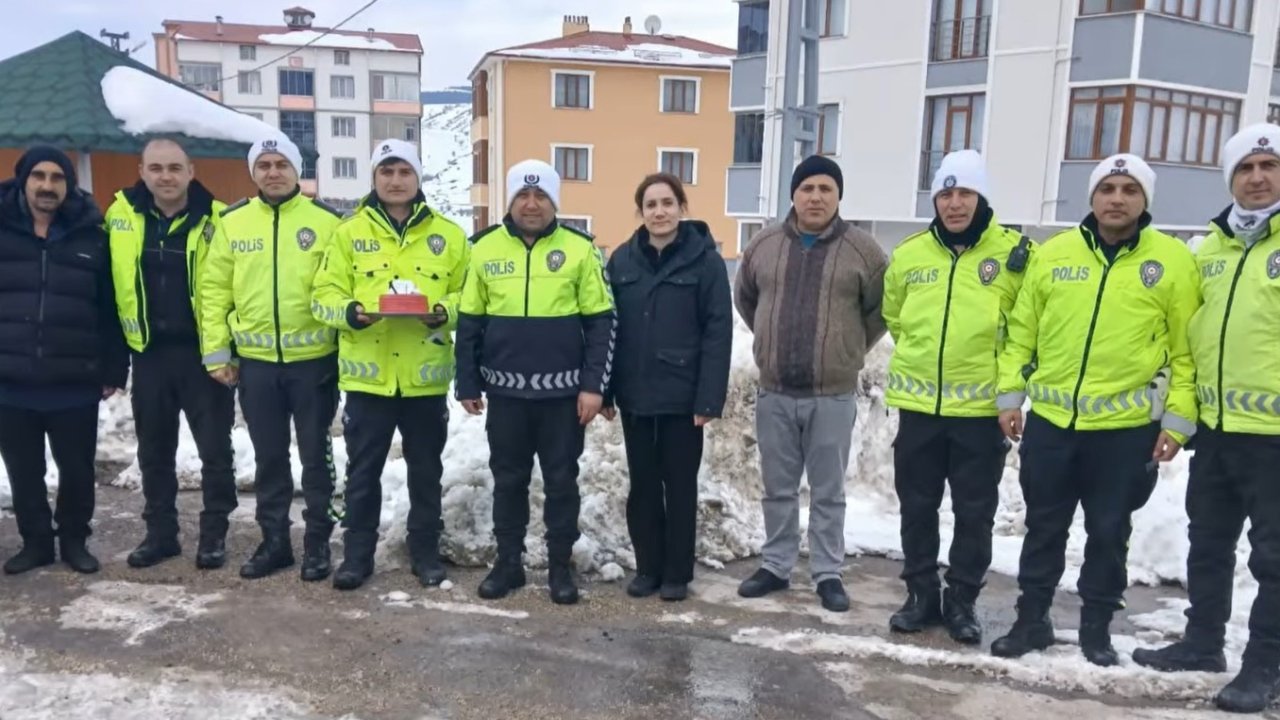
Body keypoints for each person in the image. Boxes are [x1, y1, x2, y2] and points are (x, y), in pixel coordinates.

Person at [990, 154, 1201, 666]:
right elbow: (1022, 332)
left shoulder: (1171, 261)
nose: (1117, 198)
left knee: (1109, 532)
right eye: (1107, 188)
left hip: (1125, 433)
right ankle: (1031, 620)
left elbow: (1186, 350)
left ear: (1144, 199)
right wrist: (1009, 395)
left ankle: (1096, 628)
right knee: (1043, 527)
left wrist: (1177, 420)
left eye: (1129, 189)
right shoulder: (1055, 254)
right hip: (1053, 427)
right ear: (1092, 197)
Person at [1132, 124, 1280, 713]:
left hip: (1275, 439)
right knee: (1209, 543)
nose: (1258, 177)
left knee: (1274, 558)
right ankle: (1202, 642)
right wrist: (1182, 418)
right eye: (1246, 168)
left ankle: (1266, 663)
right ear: (1230, 179)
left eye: (1269, 166)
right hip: (1217, 433)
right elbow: (1190, 343)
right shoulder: (1210, 249)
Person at [881, 150, 1029, 644]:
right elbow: (895, 317)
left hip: (981, 413)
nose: (954, 204)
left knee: (974, 512)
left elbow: (1025, 331)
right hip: (920, 410)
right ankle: (921, 595)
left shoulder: (1014, 255)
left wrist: (1008, 389)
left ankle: (962, 600)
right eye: (945, 194)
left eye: (964, 193)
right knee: (916, 507)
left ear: (981, 196)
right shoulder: (910, 253)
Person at [455, 159, 616, 605]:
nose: (531, 204)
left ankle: (559, 567)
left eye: (541, 196)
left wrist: (593, 386)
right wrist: (467, 382)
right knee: (508, 481)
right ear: (510, 202)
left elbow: (602, 324)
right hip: (506, 396)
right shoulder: (483, 249)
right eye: (523, 196)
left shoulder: (580, 249)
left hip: (563, 399)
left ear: (554, 202)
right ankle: (509, 564)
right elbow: (470, 321)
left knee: (562, 482)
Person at [311, 139, 469, 591]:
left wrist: (441, 310)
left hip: (424, 381)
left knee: (426, 472)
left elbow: (471, 298)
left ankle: (425, 555)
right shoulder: (347, 234)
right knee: (362, 474)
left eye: (404, 172)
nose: (395, 181)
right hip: (369, 383)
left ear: (417, 178)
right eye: (386, 172)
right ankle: (357, 557)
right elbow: (323, 295)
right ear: (374, 178)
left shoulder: (449, 236)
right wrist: (351, 312)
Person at [733, 155, 888, 612]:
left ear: (838, 197)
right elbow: (746, 298)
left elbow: (880, 310)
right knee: (777, 488)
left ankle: (827, 572)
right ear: (793, 195)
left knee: (828, 491)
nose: (816, 197)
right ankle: (776, 566)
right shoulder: (763, 245)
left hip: (832, 396)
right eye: (807, 188)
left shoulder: (863, 250)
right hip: (775, 392)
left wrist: (846, 346)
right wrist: (769, 337)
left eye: (826, 189)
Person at [199, 135, 344, 581]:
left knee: (317, 459)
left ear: (297, 170)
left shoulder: (328, 222)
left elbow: (342, 288)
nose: (273, 172)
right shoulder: (232, 222)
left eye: (282, 163)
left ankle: (318, 543)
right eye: (264, 165)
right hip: (257, 365)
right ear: (253, 172)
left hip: (314, 364)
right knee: (269, 458)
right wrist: (217, 354)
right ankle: (275, 542)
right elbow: (213, 291)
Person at [105, 138, 236, 570]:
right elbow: (108, 287)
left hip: (203, 355)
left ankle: (214, 534)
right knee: (154, 451)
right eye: (156, 168)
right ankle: (160, 534)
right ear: (142, 170)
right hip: (149, 354)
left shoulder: (218, 220)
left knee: (215, 450)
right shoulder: (121, 215)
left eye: (175, 168)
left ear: (191, 171)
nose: (166, 176)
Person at [601, 173, 732, 602]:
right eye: (651, 204)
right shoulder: (622, 261)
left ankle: (677, 574)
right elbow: (607, 327)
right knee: (642, 486)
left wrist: (709, 397)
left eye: (667, 203)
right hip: (636, 395)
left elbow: (717, 331)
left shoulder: (705, 261)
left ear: (682, 208)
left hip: (682, 398)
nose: (659, 212)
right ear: (641, 212)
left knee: (679, 486)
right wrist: (604, 391)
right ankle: (648, 569)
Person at [0, 145, 128, 575]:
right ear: (24, 180)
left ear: (69, 185)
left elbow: (110, 309)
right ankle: (36, 543)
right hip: (11, 380)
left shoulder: (92, 235)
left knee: (76, 470)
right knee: (25, 472)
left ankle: (74, 540)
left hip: (73, 379)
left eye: (58, 178)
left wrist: (113, 368)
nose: (47, 186)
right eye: (39, 176)